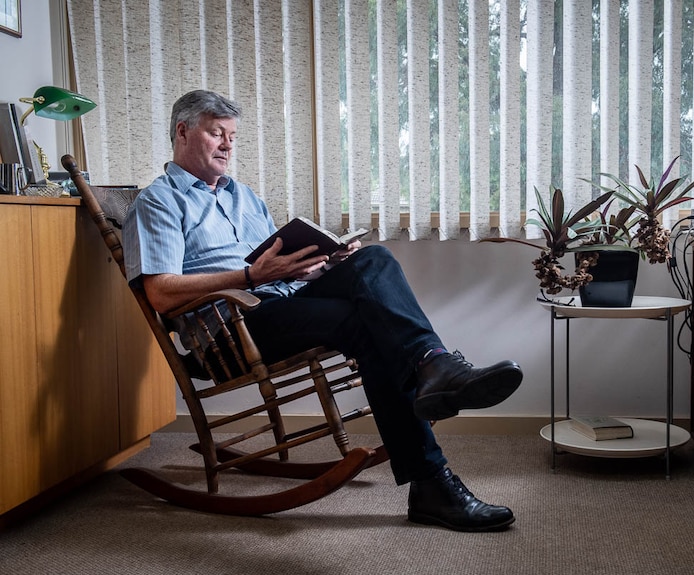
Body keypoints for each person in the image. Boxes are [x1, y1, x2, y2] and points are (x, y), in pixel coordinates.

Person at [123, 89, 523, 532]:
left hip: (281, 305)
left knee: (373, 260)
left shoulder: (245, 197)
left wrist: (318, 264)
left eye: (233, 136)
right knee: (364, 325)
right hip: (227, 332)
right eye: (217, 133)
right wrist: (252, 277)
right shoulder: (158, 201)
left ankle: (433, 367)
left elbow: (278, 271)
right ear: (182, 131)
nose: (228, 146)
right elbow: (160, 293)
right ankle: (433, 459)